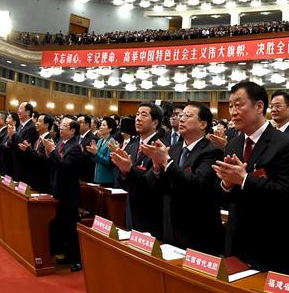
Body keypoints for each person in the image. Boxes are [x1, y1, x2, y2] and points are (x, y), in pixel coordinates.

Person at [212, 81, 289, 273]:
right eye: (230, 106)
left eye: (238, 105)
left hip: (271, 243)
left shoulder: (286, 144)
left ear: (259, 106)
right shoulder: (233, 144)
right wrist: (226, 184)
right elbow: (223, 197)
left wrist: (244, 180)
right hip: (236, 240)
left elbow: (288, 193)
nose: (233, 112)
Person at [139, 103, 225, 254]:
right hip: (170, 226)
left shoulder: (212, 151)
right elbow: (158, 186)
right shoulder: (174, 148)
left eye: (188, 116)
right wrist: (157, 168)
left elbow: (198, 185)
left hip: (198, 229)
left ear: (203, 124)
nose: (181, 119)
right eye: (181, 115)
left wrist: (167, 162)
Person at [110, 103, 165, 236]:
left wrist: (129, 169)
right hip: (130, 206)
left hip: (151, 211)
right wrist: (123, 172)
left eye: (143, 115)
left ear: (155, 123)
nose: (138, 118)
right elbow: (122, 181)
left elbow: (152, 182)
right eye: (137, 115)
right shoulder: (132, 146)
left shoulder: (161, 147)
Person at [45, 117, 84, 272]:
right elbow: (55, 165)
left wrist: (53, 151)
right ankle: (67, 255)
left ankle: (77, 260)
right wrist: (50, 154)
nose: (60, 128)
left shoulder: (75, 148)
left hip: (69, 194)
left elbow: (65, 167)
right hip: (60, 191)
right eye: (60, 125)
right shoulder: (63, 143)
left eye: (65, 126)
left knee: (71, 228)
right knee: (63, 226)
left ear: (73, 130)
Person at [87, 117, 119, 186]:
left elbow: (109, 162)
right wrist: (92, 153)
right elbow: (96, 159)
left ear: (110, 129)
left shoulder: (112, 142)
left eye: (104, 125)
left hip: (107, 179)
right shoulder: (99, 141)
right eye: (101, 125)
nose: (100, 127)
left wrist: (96, 153)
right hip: (97, 177)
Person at [78, 115, 97, 183]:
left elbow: (92, 158)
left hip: (86, 175)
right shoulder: (77, 137)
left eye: (80, 122)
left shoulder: (93, 138)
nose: (77, 124)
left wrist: (80, 153)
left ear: (87, 124)